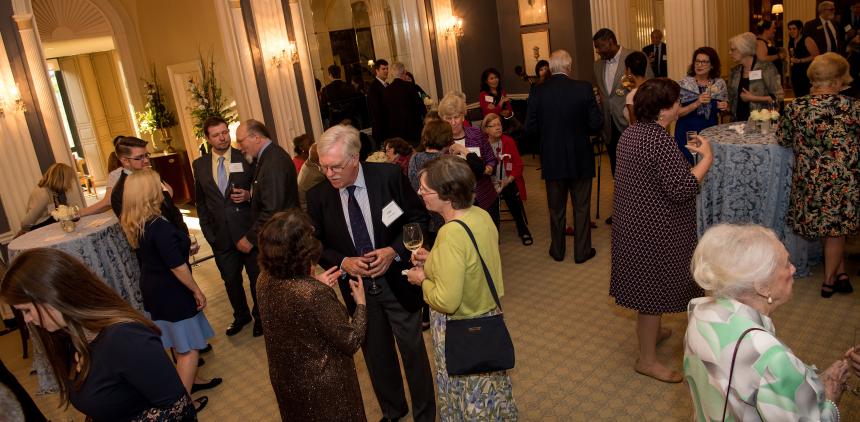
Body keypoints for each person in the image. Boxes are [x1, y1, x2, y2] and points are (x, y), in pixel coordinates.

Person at [306, 124, 435, 422]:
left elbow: (415, 218)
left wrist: (394, 251)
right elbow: (316, 244)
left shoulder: (387, 177)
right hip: (359, 291)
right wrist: (343, 263)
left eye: (336, 166)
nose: (329, 174)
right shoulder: (318, 196)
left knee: (413, 352)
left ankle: (425, 415)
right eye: (324, 167)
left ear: (355, 158)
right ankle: (394, 411)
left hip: (399, 281)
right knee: (377, 357)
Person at [0, 248, 198, 419]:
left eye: (27, 310)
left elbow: (178, 409)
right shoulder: (69, 337)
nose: (26, 320)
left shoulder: (125, 338)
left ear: (53, 297)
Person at [685, 224, 852, 421]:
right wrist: (831, 398)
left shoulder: (701, 311)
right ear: (763, 287)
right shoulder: (772, 357)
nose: (794, 269)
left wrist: (808, 380)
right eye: (786, 263)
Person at [610, 78, 714, 383]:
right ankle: (647, 360)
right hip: (655, 229)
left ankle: (651, 334)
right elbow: (682, 188)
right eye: (677, 102)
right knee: (652, 292)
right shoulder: (658, 140)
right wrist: (707, 158)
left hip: (635, 223)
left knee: (648, 289)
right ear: (664, 110)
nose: (680, 106)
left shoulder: (630, 134)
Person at [406, 156, 518, 420]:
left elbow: (446, 300)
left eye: (425, 189)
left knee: (465, 396)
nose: (420, 192)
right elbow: (470, 263)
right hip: (487, 314)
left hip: (460, 325)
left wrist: (422, 279)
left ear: (447, 195)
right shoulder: (479, 215)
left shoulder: (450, 233)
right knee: (489, 393)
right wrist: (433, 258)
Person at [120, 168, 219, 406]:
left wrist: (181, 248)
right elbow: (176, 267)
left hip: (154, 287)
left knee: (177, 341)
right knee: (190, 348)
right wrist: (196, 289)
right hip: (172, 290)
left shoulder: (140, 222)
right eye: (159, 184)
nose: (163, 188)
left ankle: (194, 378)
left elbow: (160, 254)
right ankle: (182, 406)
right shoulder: (158, 226)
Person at [256, 210, 368, 421]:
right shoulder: (313, 294)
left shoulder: (263, 279)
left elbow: (290, 315)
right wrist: (361, 304)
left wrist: (313, 283)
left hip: (287, 381)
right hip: (324, 389)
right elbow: (351, 339)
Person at [776, 53, 860, 298]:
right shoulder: (853, 108)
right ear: (836, 81)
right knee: (835, 228)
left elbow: (783, 139)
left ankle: (840, 273)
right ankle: (829, 280)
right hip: (844, 180)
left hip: (811, 179)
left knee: (831, 227)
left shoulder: (797, 107)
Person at [527, 49, 603, 263]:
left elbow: (530, 128)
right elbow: (596, 124)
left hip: (552, 157)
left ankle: (558, 250)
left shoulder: (538, 91)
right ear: (569, 67)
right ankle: (582, 252)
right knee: (581, 207)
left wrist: (546, 139)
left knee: (556, 208)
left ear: (550, 68)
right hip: (580, 155)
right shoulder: (584, 88)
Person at [192, 116, 259, 337]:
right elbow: (200, 202)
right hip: (220, 236)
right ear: (207, 138)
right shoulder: (199, 165)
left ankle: (261, 316)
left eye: (224, 132)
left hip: (247, 231)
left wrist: (250, 195)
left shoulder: (246, 156)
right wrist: (208, 232)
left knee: (256, 277)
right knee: (230, 279)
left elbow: (261, 190)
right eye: (216, 135)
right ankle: (241, 315)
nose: (222, 138)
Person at [233, 119, 299, 337]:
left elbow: (273, 209)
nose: (239, 146)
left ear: (256, 137)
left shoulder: (273, 161)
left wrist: (250, 238)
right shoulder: (266, 158)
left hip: (283, 238)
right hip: (279, 235)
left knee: (288, 289)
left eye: (241, 141)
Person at [594, 28, 653, 180]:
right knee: (616, 169)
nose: (598, 51)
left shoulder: (634, 57)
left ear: (611, 42)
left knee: (636, 169)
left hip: (630, 122)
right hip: (609, 124)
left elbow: (649, 85)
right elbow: (604, 93)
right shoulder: (597, 65)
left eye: (600, 47)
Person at [437, 92, 499, 225]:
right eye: (448, 118)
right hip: (456, 204)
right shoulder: (441, 142)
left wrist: (488, 168)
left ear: (463, 116)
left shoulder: (476, 134)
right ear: (442, 119)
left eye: (456, 117)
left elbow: (491, 158)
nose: (453, 122)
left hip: (484, 196)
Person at [109, 136, 189, 236]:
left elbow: (172, 209)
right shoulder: (119, 193)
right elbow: (136, 232)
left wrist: (185, 236)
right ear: (125, 161)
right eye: (140, 157)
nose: (146, 160)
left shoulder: (153, 175)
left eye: (147, 155)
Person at [482, 113, 532, 245]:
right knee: (489, 204)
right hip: (488, 182)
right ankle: (493, 234)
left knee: (512, 199)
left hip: (507, 180)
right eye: (493, 126)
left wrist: (507, 180)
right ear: (486, 129)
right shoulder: (482, 144)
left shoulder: (508, 141)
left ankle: (523, 230)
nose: (498, 128)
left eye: (499, 124)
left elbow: (518, 165)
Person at [676, 47, 728, 164]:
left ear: (712, 65)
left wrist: (724, 107)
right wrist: (696, 103)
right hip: (687, 133)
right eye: (697, 61)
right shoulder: (684, 83)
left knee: (708, 166)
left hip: (710, 133)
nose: (699, 65)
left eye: (704, 62)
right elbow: (677, 113)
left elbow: (723, 113)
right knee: (689, 168)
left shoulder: (719, 84)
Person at [727, 32, 784, 122]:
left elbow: (778, 98)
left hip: (761, 124)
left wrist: (753, 98)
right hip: (738, 124)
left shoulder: (766, 68)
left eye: (733, 50)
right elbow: (731, 99)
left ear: (744, 49)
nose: (729, 53)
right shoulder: (734, 71)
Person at [17, 163, 84, 235]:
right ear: (61, 179)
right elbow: (26, 223)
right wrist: (27, 234)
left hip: (48, 226)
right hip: (41, 229)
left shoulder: (52, 190)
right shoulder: (43, 194)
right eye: (69, 179)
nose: (70, 183)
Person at [383, 62, 425, 146]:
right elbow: (420, 107)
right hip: (413, 131)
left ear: (392, 74)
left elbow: (385, 113)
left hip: (396, 133)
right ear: (404, 72)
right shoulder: (410, 87)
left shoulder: (387, 90)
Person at [788, 19, 819, 98]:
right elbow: (791, 59)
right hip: (796, 73)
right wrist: (790, 77)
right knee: (798, 96)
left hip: (807, 73)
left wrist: (800, 61)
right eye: (790, 29)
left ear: (800, 29)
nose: (791, 31)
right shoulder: (791, 41)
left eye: (794, 28)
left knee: (807, 96)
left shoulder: (807, 39)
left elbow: (816, 56)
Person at [622, 51, 649, 125]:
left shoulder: (632, 95)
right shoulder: (654, 88)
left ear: (629, 70)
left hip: (639, 135)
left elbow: (635, 126)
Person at [297, 144, 326, 211]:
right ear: (319, 159)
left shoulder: (310, 162)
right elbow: (324, 197)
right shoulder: (315, 175)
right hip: (309, 210)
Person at [368, 58, 389, 144]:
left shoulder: (387, 85)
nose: (386, 71)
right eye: (383, 69)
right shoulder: (374, 87)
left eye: (387, 68)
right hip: (382, 130)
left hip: (388, 128)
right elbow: (376, 111)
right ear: (377, 70)